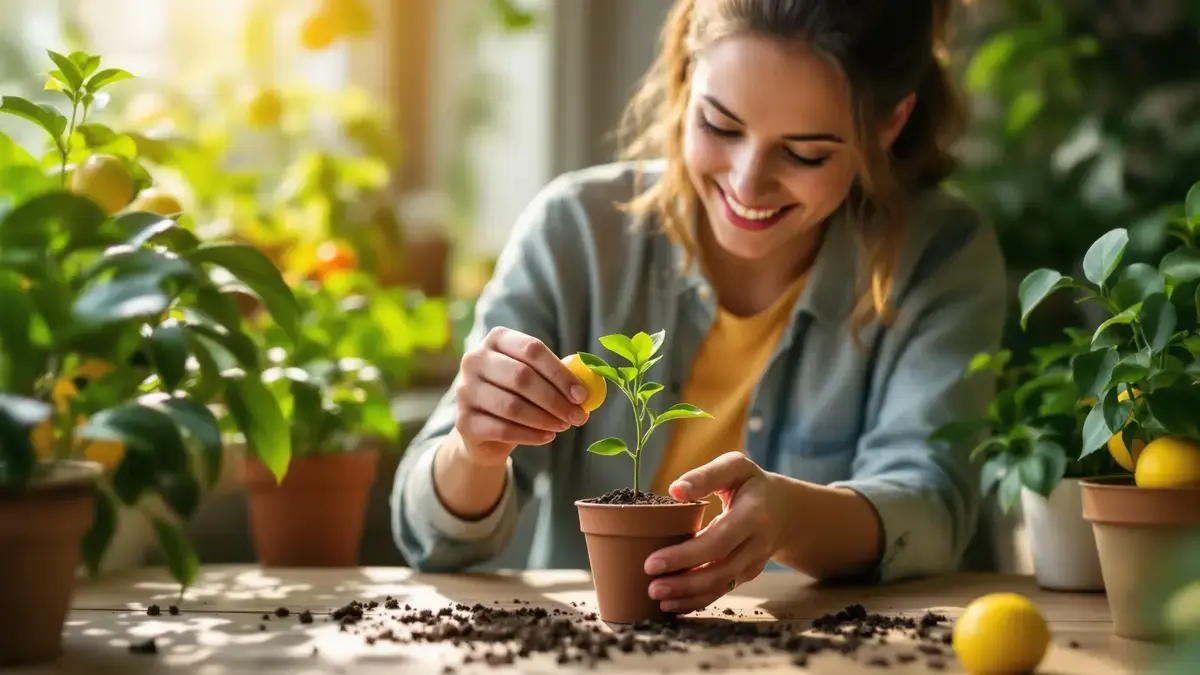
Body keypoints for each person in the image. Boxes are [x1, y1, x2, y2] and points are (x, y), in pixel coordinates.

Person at [391, 0, 1006, 615]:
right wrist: (474, 450)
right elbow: (433, 542)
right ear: (686, 74)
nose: (747, 183)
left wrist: (790, 518)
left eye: (805, 154)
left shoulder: (939, 254)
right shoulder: (576, 233)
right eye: (721, 126)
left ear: (890, 123)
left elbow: (931, 507)